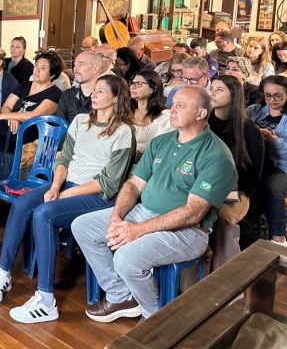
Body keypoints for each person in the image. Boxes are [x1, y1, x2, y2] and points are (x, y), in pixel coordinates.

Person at [71, 87, 237, 321]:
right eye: (173, 103)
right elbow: (133, 185)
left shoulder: (216, 155)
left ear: (200, 114)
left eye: (181, 105)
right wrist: (117, 217)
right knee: (83, 226)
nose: (173, 109)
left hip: (187, 231)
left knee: (126, 258)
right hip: (142, 213)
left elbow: (193, 213)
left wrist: (136, 231)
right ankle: (121, 296)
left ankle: (153, 318)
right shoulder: (162, 142)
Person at [0, 74, 134, 324]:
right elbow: (63, 160)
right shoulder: (80, 121)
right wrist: (55, 186)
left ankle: (46, 298)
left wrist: (66, 193)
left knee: (44, 214)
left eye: (100, 92)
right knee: (21, 205)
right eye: (93, 91)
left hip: (97, 195)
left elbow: (109, 183)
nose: (93, 95)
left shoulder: (123, 132)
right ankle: (3, 273)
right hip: (66, 184)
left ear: (116, 98)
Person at [0, 51, 63, 216]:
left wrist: (3, 116)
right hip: (10, 127)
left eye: (43, 68)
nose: (36, 71)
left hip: (31, 132)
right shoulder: (24, 86)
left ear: (52, 74)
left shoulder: (55, 94)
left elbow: (33, 116)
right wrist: (12, 118)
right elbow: (7, 105)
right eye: (37, 66)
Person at [246, 75, 287, 246]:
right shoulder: (254, 110)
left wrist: (273, 140)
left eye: (277, 95)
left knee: (272, 188)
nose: (272, 100)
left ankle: (278, 239)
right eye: (267, 95)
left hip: (283, 169)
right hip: (254, 164)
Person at [208, 75, 264, 269]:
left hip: (236, 190)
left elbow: (253, 177)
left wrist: (224, 187)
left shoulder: (249, 130)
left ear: (233, 95)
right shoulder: (203, 123)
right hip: (202, 186)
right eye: (212, 88)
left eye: (219, 90)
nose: (212, 93)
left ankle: (226, 276)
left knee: (223, 218)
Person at [129, 69, 172, 156]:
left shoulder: (165, 116)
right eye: (132, 83)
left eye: (138, 84)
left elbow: (162, 148)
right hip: (122, 161)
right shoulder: (125, 111)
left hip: (149, 164)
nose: (132, 87)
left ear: (153, 89)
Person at [57, 52, 101, 123]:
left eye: (80, 64)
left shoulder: (105, 97)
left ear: (95, 69)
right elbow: (59, 124)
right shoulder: (67, 95)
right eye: (75, 65)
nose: (75, 69)